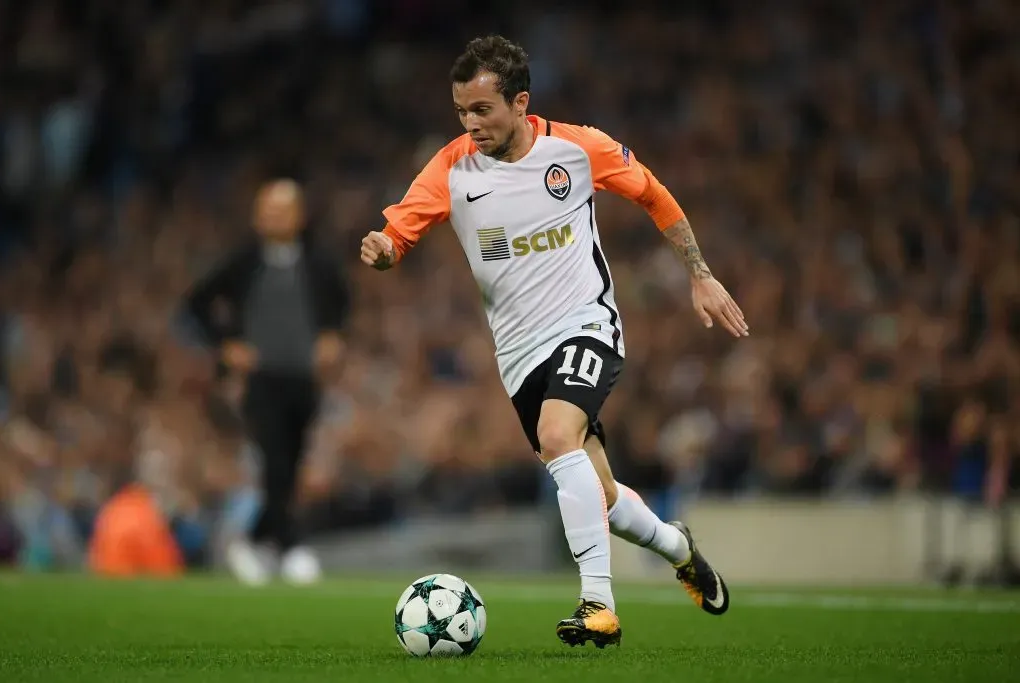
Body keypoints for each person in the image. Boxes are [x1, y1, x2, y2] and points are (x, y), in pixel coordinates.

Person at [361, 36, 746, 647]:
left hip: (586, 324)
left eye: (482, 109)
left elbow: (652, 193)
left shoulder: (578, 148)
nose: (470, 124)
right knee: (601, 493)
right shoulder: (452, 168)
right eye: (461, 111)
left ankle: (599, 605)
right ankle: (679, 547)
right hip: (519, 355)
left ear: (520, 103)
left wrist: (699, 274)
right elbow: (399, 234)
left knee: (558, 435)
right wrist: (384, 249)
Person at [186, 179, 350, 585]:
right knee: (274, 459)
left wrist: (331, 335)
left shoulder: (318, 264)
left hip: (304, 378)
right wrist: (226, 343)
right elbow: (198, 302)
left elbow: (341, 303)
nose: (274, 218)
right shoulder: (244, 262)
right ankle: (292, 546)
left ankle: (253, 540)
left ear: (300, 216)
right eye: (267, 211)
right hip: (260, 380)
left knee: (290, 466)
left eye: (282, 210)